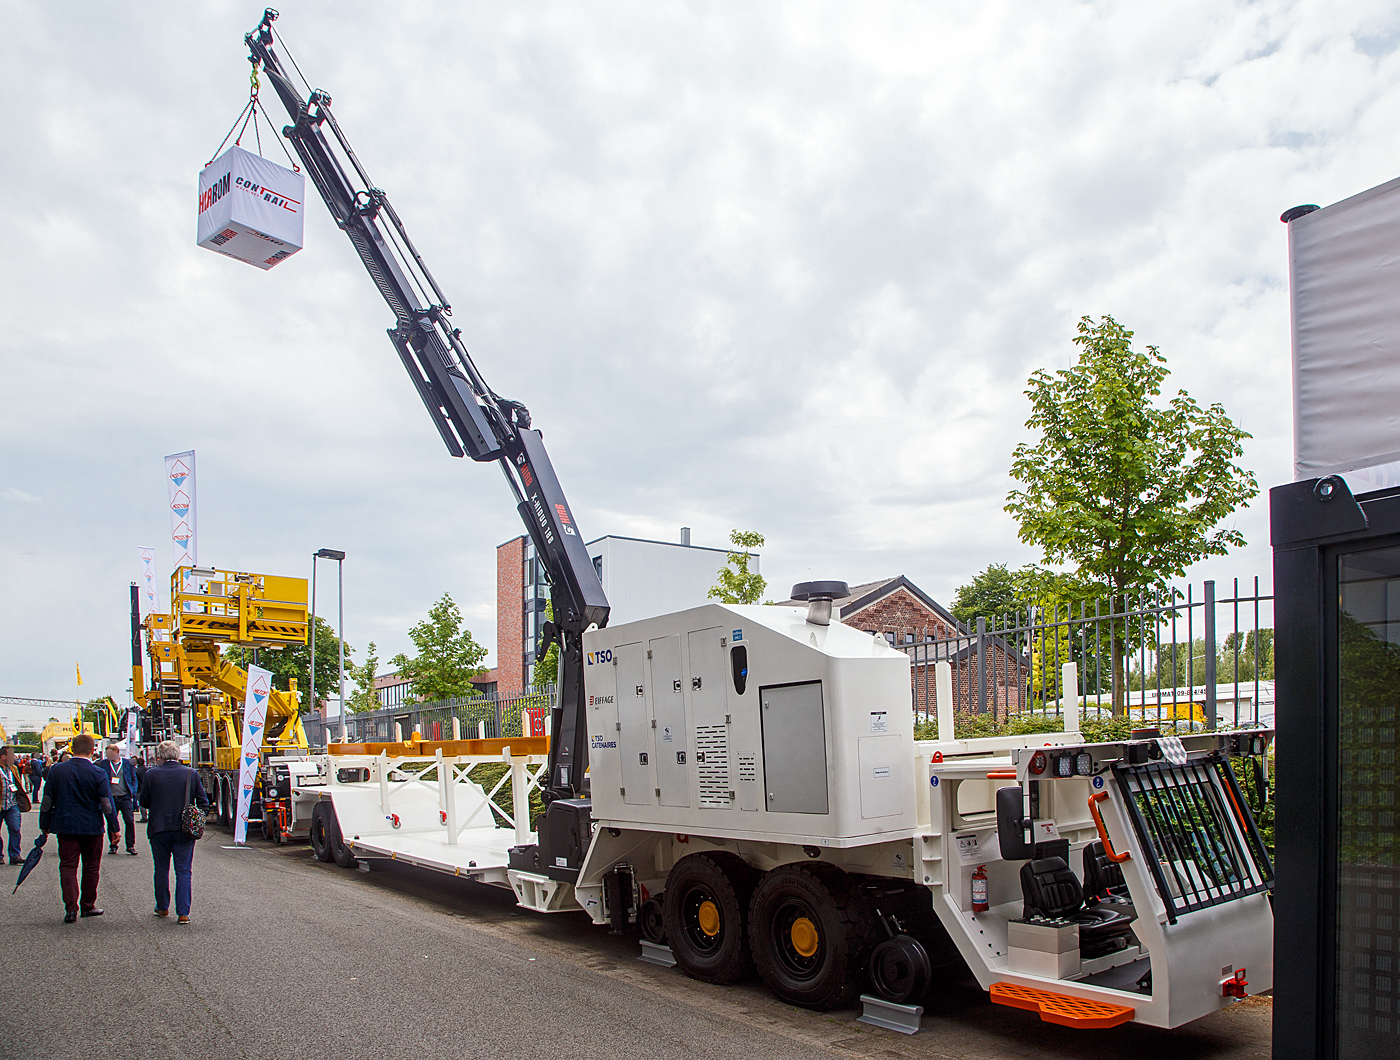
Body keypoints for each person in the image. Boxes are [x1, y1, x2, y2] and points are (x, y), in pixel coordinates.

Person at [37, 733, 111, 923]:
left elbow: (47, 801)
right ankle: (88, 905)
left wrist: (44, 825)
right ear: (93, 750)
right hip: (92, 826)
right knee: (91, 866)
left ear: (71, 749)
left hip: (65, 825)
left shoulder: (56, 770)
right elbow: (106, 803)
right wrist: (114, 827)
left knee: (68, 866)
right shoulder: (98, 772)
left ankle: (70, 908)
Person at [139, 741, 209, 925]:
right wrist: (197, 818)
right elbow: (203, 802)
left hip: (159, 827)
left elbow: (144, 801)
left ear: (159, 755)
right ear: (178, 755)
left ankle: (162, 907)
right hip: (184, 829)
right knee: (184, 871)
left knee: (161, 869)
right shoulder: (190, 774)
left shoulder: (151, 774)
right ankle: (183, 912)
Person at [98, 744, 139, 855]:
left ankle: (130, 845)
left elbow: (133, 778)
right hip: (111, 798)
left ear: (116, 752)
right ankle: (113, 845)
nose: (108, 756)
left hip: (125, 797)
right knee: (112, 821)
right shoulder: (104, 764)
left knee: (129, 821)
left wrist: (133, 792)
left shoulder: (127, 763)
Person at [1, 746, 31, 865]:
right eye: (11, 756)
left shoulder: (13, 768)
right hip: (0, 803)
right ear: (3, 757)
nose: (14, 758)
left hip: (12, 803)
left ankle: (15, 855)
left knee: (15, 829)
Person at [134, 755, 149, 822]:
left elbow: (135, 780)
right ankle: (149, 816)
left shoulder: (137, 770)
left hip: (140, 788)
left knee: (141, 803)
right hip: (147, 787)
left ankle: (144, 817)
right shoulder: (147, 770)